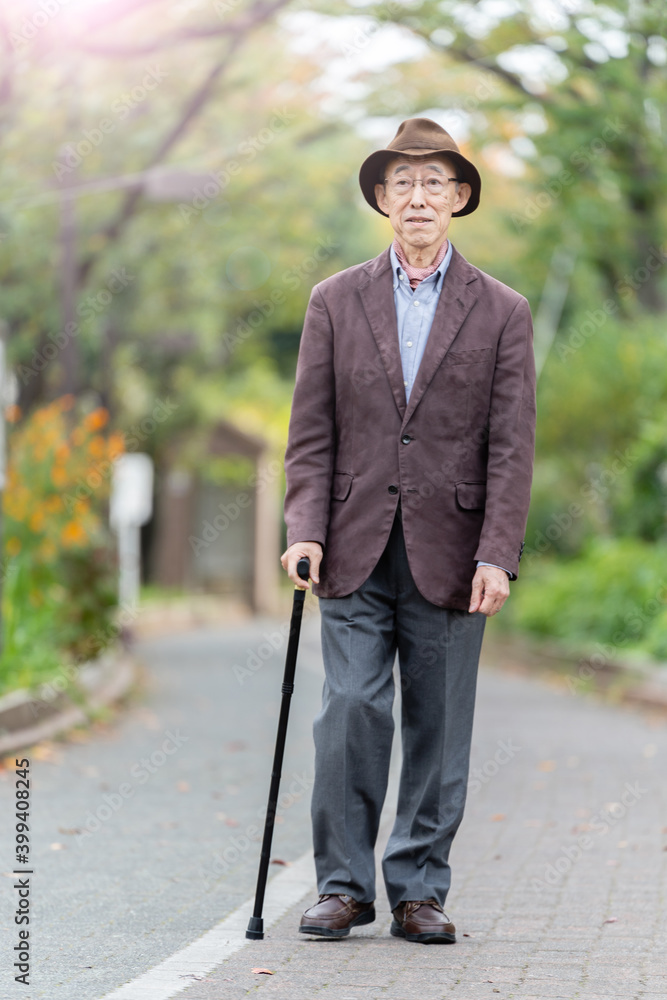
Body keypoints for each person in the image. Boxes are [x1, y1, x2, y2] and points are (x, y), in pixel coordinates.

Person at [281, 117, 536, 944]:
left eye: (433, 183)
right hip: (351, 546)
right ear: (381, 200)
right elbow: (310, 433)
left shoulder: (502, 311)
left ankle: (419, 889)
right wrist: (301, 528)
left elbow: (511, 444)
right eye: (401, 183)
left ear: (458, 198)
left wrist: (497, 549)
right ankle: (343, 885)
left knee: (437, 722)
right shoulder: (334, 300)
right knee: (350, 708)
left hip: (455, 553)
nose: (416, 196)